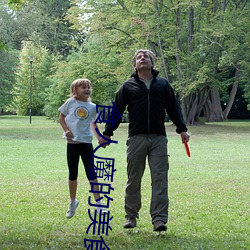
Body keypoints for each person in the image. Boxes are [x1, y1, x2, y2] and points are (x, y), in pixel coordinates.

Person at [99, 49, 190, 231]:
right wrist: (108, 132)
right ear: (135, 64)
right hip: (136, 139)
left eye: (146, 57)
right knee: (134, 179)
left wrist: (182, 130)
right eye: (139, 58)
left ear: (151, 62)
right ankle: (131, 216)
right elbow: (116, 110)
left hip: (158, 139)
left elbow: (174, 108)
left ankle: (159, 219)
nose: (143, 59)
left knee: (160, 179)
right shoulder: (128, 86)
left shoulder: (163, 85)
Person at [58, 78, 106, 219]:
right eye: (83, 87)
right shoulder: (71, 102)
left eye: (88, 87)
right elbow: (61, 116)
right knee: (73, 174)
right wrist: (66, 130)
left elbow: (93, 124)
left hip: (86, 144)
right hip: (72, 144)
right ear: (75, 91)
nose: (86, 89)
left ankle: (98, 204)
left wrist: (99, 138)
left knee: (92, 173)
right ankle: (73, 202)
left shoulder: (92, 107)